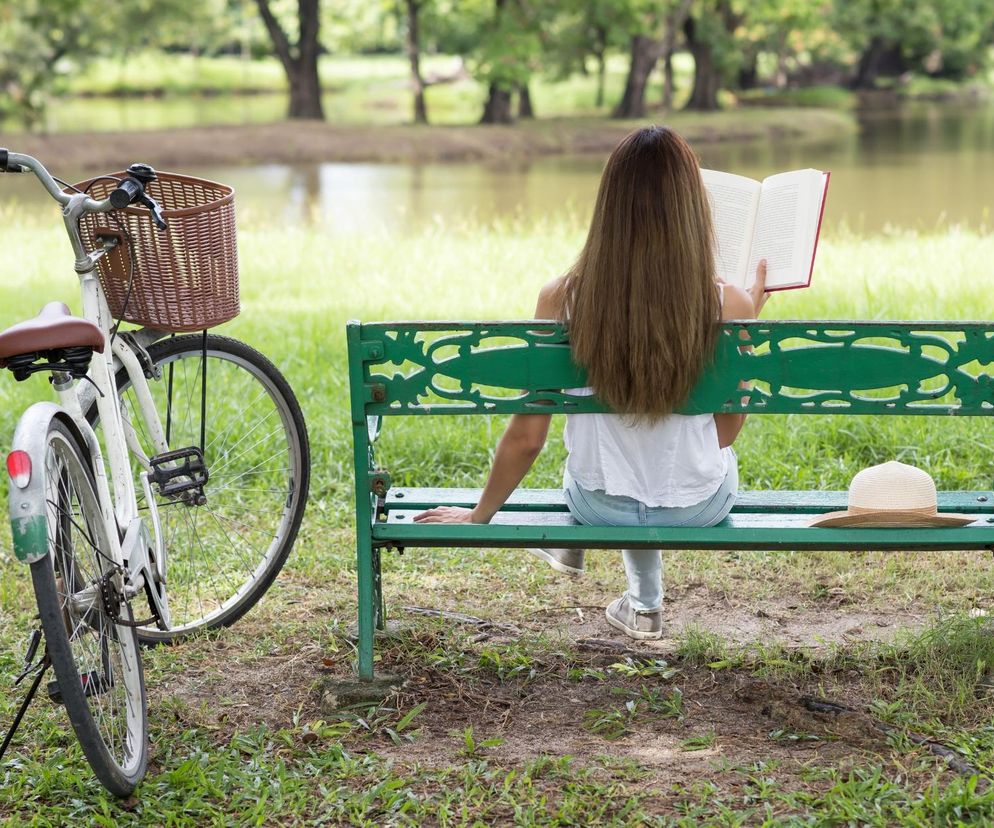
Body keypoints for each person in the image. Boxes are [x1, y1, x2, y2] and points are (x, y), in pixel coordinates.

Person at [414, 126, 769, 640]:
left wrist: (479, 517)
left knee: (607, 460)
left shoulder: (561, 298)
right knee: (677, 458)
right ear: (693, 209)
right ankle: (640, 603)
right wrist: (744, 324)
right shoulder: (728, 303)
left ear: (609, 207)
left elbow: (527, 437)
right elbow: (725, 434)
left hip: (597, 502)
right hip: (698, 504)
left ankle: (623, 585)